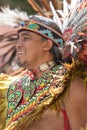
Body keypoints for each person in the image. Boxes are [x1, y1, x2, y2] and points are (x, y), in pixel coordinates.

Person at [1, 0, 87, 130]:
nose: (18, 44)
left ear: (47, 44)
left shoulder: (70, 86)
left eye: (26, 38)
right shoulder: (12, 88)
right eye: (18, 39)